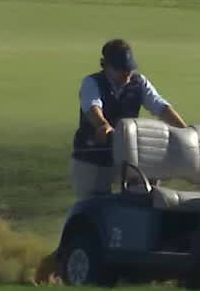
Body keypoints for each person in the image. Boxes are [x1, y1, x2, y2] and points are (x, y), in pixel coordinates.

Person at [70, 39, 188, 196]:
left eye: (129, 69)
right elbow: (92, 107)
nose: (127, 73)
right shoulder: (92, 83)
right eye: (121, 69)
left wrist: (185, 131)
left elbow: (161, 107)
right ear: (106, 66)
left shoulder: (139, 83)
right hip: (93, 154)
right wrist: (103, 125)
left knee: (142, 197)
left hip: (128, 153)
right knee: (93, 204)